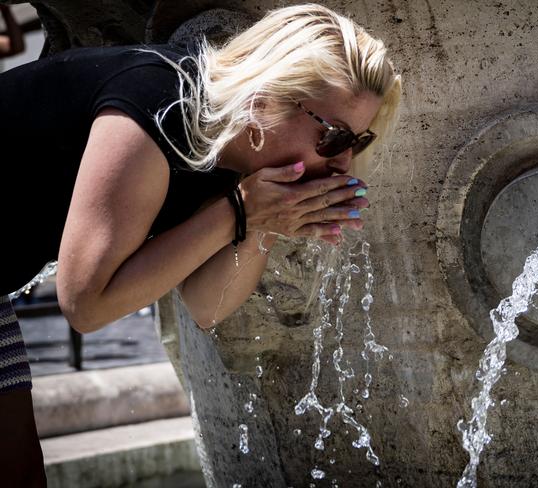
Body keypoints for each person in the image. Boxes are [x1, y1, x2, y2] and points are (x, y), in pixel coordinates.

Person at [0, 3, 401, 485]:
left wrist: (260, 223)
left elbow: (206, 305)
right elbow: (84, 303)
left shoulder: (233, 156)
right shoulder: (157, 104)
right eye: (333, 138)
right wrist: (239, 211)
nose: (343, 167)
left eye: (357, 142)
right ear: (266, 98)